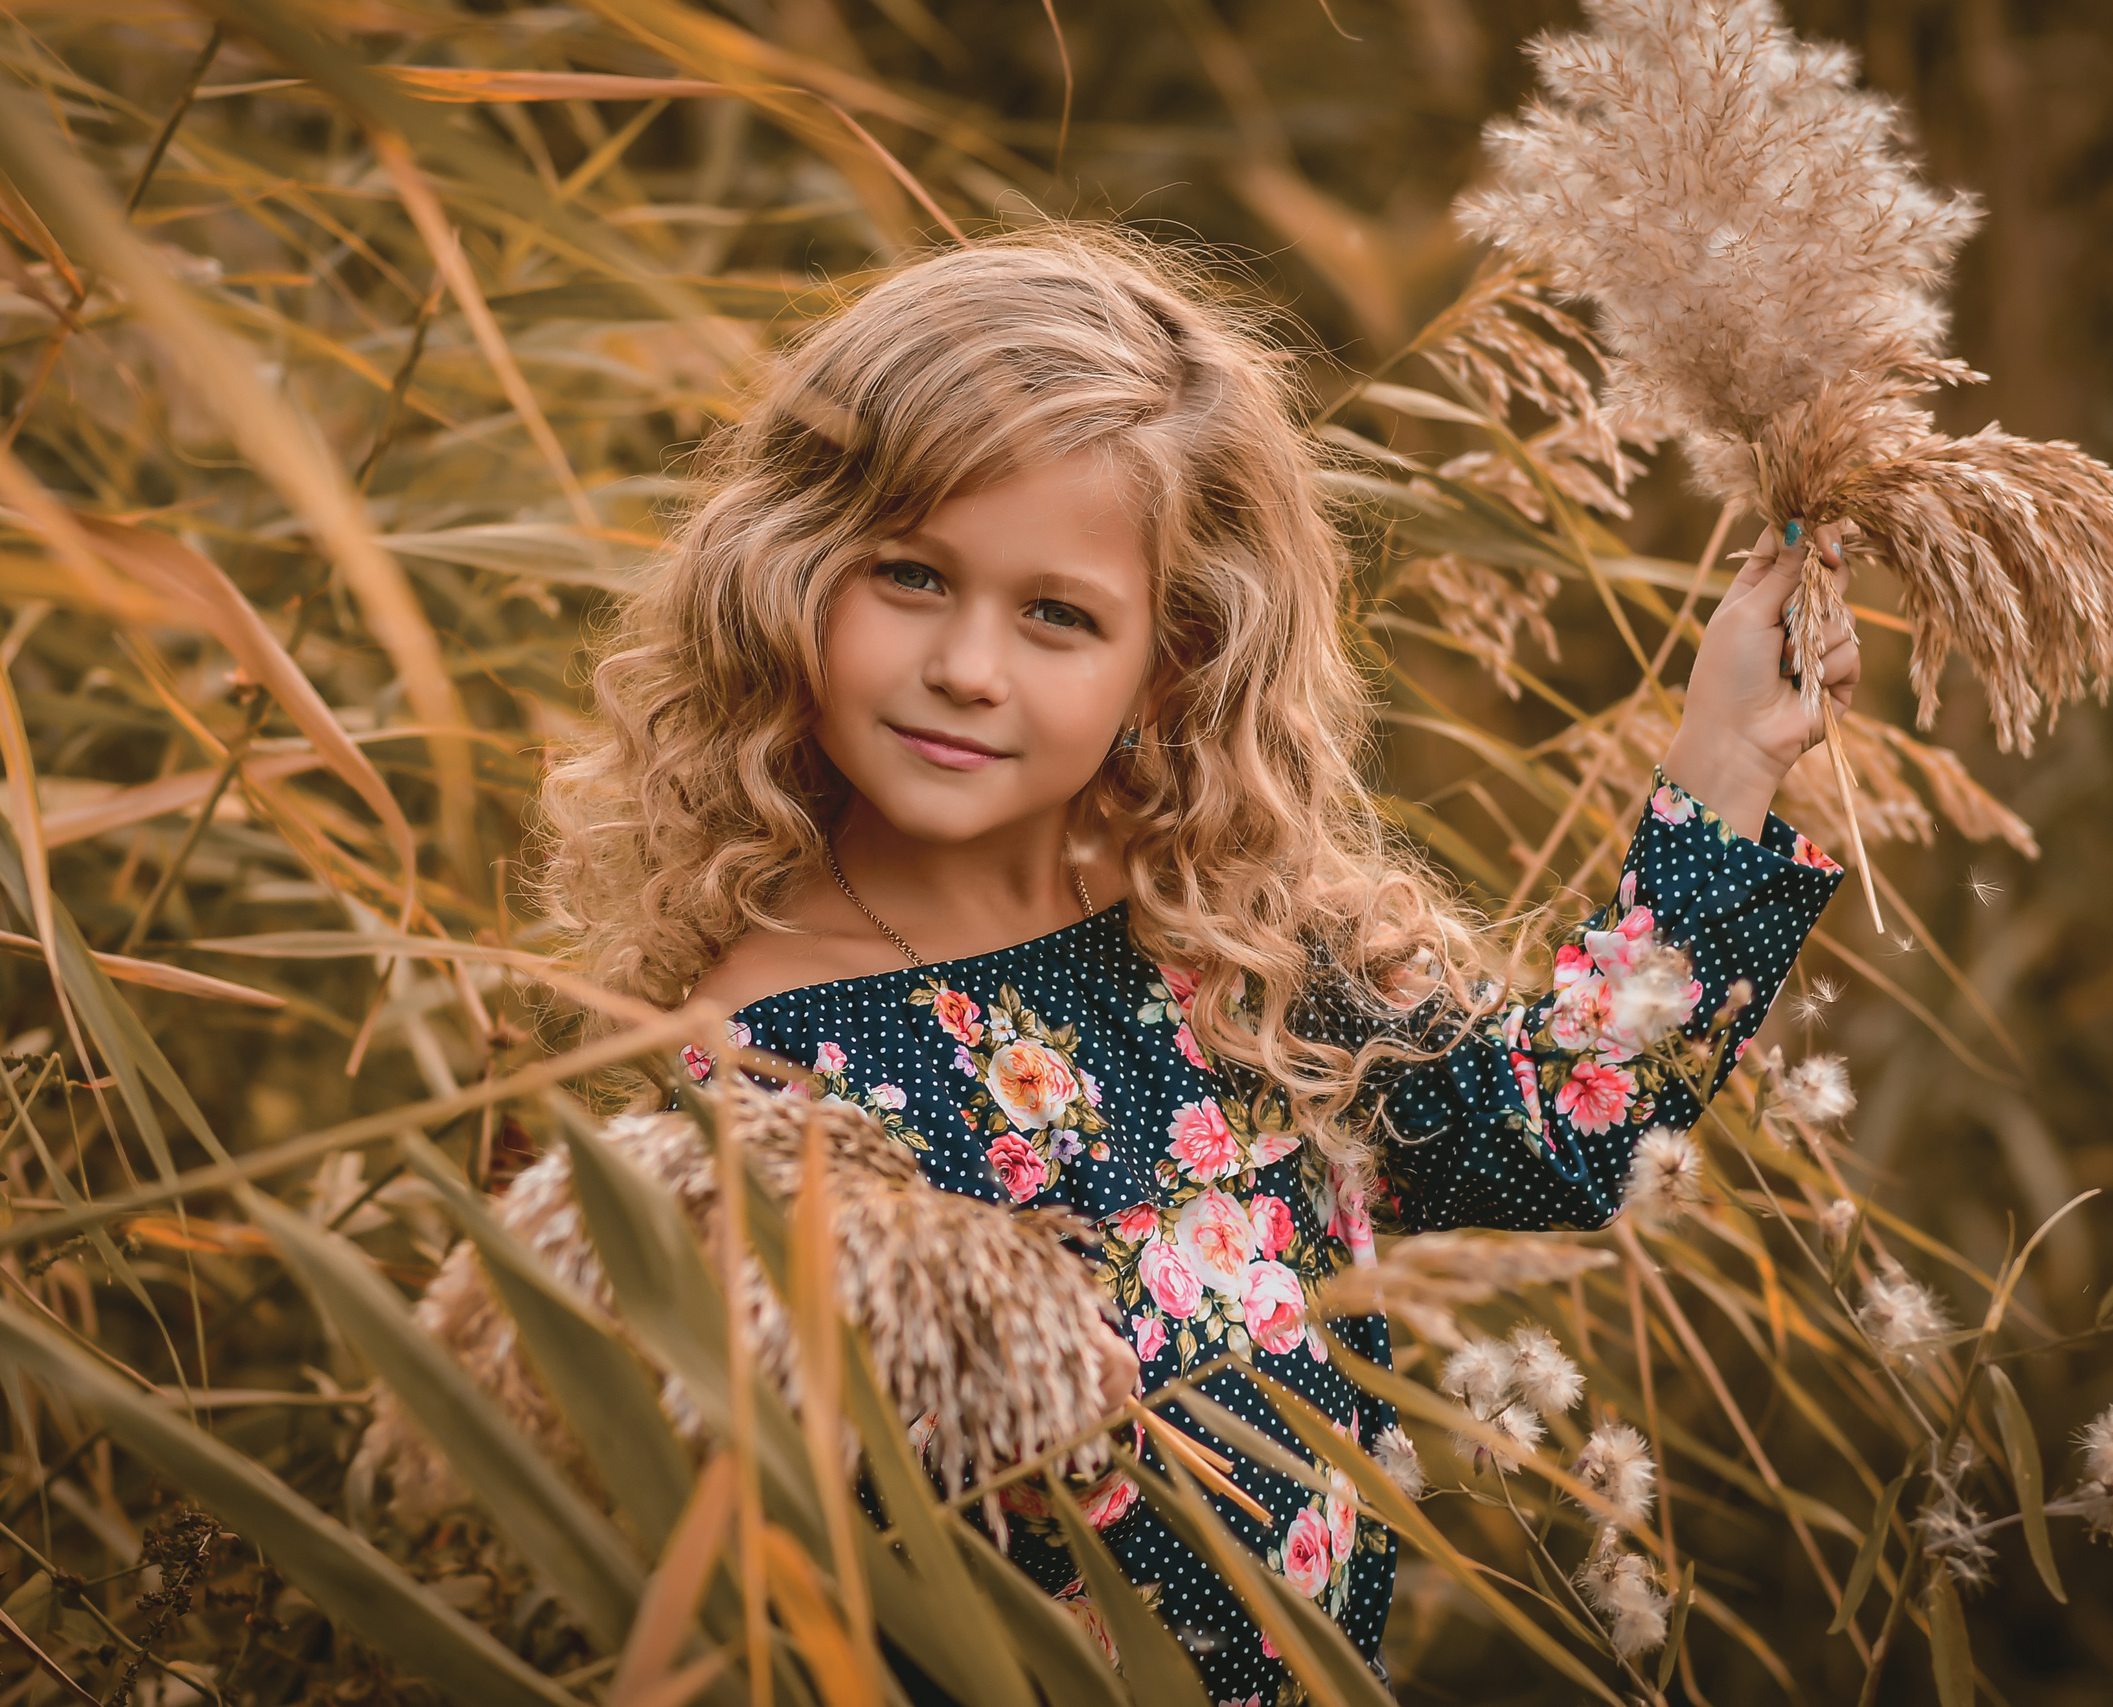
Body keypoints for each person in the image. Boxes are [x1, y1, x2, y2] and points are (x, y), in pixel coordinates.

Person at [541, 228, 1853, 1704]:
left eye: (1057, 614)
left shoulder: (1228, 936)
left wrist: (1728, 753)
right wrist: (993, 1419)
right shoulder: (759, 1054)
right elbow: (767, 1524)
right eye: (910, 575)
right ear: (791, 576)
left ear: (1170, 662)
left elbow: (1555, 1137)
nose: (967, 666)